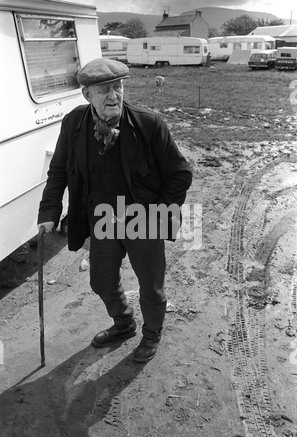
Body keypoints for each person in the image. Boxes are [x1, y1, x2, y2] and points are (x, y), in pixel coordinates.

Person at [37, 58, 192, 363]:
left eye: (118, 87)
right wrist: (49, 211)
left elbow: (180, 173)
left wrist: (159, 215)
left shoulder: (148, 123)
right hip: (104, 218)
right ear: (87, 95)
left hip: (143, 219)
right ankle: (124, 323)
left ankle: (151, 335)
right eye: (104, 90)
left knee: (151, 286)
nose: (113, 96)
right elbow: (58, 171)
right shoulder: (74, 123)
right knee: (101, 281)